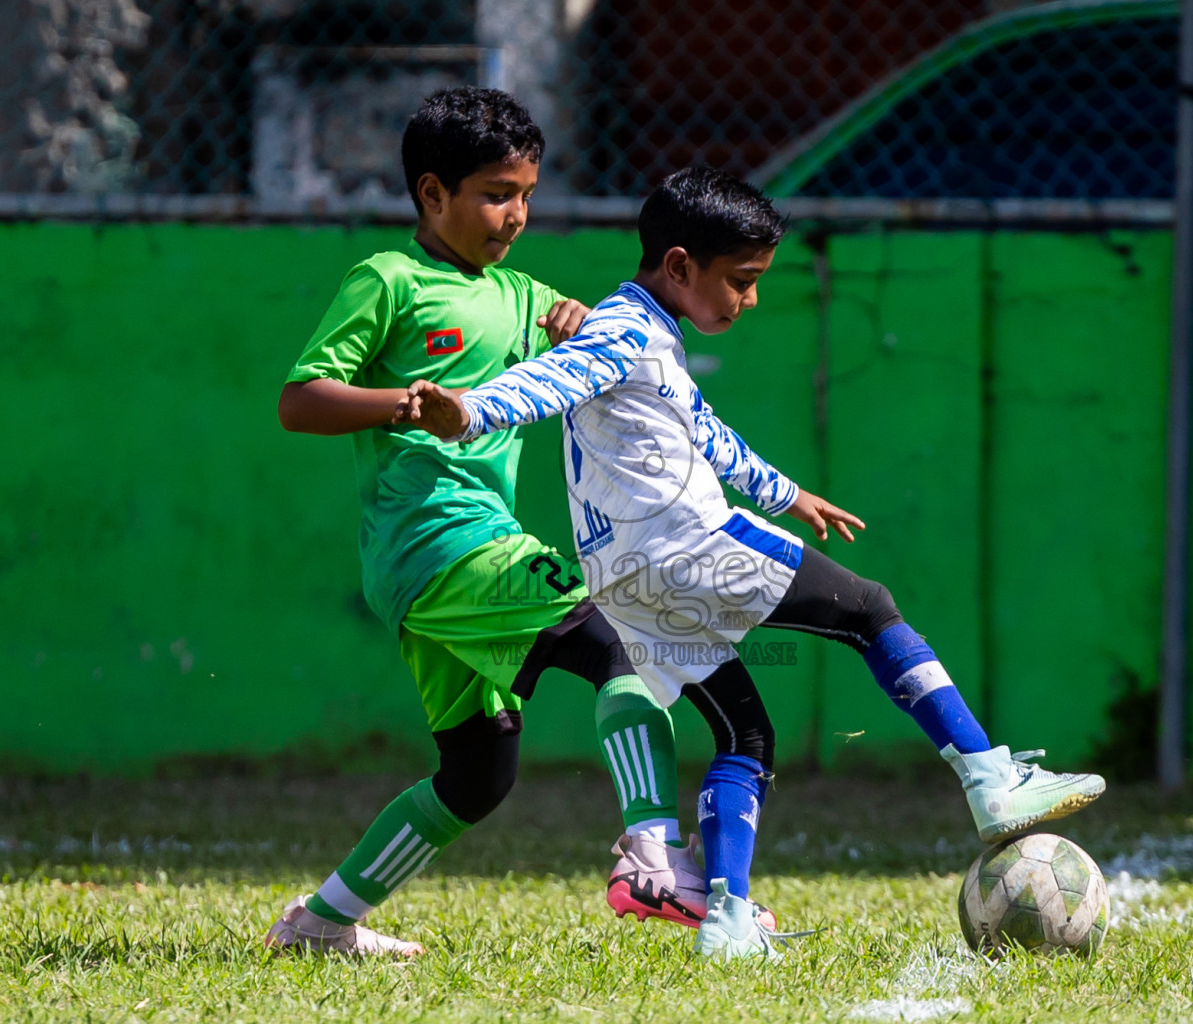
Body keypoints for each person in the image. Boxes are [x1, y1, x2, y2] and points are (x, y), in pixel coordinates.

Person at [404, 166, 1107, 959]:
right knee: (870, 609)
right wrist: (467, 413)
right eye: (740, 281)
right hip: (688, 542)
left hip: (628, 578)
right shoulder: (620, 330)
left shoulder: (648, 331)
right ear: (678, 266)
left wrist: (789, 494)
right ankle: (988, 777)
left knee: (746, 736)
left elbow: (706, 431)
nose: (751, 299)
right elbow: (547, 381)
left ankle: (728, 920)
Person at [263, 89, 716, 958]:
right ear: (432, 194)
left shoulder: (521, 294)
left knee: (477, 776)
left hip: (450, 563)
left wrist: (586, 327)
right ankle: (653, 854)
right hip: (438, 541)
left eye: (527, 194)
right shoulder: (387, 281)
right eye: (495, 193)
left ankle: (322, 923)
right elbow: (299, 400)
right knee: (617, 639)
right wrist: (405, 404)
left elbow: (588, 340)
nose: (516, 215)